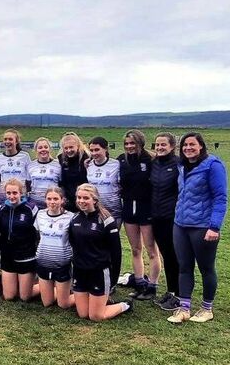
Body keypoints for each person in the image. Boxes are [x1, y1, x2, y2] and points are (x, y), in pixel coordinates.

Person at [167, 132, 228, 324]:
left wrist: (214, 227)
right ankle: (184, 308)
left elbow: (220, 197)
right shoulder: (182, 165)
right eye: (184, 145)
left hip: (203, 226)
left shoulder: (213, 165)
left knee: (206, 268)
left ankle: (207, 308)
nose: (188, 148)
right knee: (184, 267)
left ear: (201, 146)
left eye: (192, 144)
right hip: (180, 224)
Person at [70, 184, 134, 322]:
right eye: (79, 197)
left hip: (98, 272)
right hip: (80, 271)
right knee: (82, 314)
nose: (81, 201)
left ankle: (125, 305)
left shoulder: (106, 220)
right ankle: (98, 300)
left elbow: (116, 252)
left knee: (95, 316)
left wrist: (113, 279)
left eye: (86, 198)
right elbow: (73, 245)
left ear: (95, 199)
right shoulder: (74, 219)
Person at [118, 129, 161, 300]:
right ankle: (139, 283)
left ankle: (152, 286)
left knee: (151, 250)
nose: (129, 146)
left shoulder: (151, 159)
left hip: (146, 209)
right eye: (126, 143)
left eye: (132, 143)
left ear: (140, 143)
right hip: (128, 208)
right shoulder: (122, 159)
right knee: (135, 249)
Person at [86, 136, 122, 292]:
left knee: (110, 248)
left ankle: (111, 281)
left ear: (105, 149)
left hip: (113, 213)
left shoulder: (116, 164)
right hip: (95, 212)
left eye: (97, 150)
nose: (94, 153)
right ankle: (95, 278)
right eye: (92, 150)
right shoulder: (88, 165)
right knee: (95, 246)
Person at [151, 132, 181, 310]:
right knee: (167, 256)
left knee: (175, 257)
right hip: (157, 218)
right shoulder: (154, 163)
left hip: (173, 218)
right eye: (157, 145)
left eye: (163, 145)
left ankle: (178, 295)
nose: (160, 148)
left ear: (171, 146)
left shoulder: (178, 164)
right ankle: (171, 291)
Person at [0, 178, 40, 301]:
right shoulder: (1, 209)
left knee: (24, 297)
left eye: (15, 193)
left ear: (21, 193)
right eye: (8, 193)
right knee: (9, 296)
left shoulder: (31, 209)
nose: (11, 196)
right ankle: (17, 283)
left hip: (26, 256)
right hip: (7, 256)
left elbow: (38, 233)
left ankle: (46, 286)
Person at [34, 186, 75, 309]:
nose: (52, 202)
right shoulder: (40, 215)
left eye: (56, 199)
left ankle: (86, 295)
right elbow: (36, 236)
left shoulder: (71, 217)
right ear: (45, 200)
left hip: (62, 265)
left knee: (63, 304)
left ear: (62, 200)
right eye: (49, 199)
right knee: (47, 303)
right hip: (43, 263)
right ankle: (56, 288)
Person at [0, 128, 31, 204]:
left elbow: (29, 178)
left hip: (20, 196)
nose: (7, 141)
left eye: (10, 139)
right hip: (4, 196)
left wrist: (27, 192)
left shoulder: (25, 156)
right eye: (5, 139)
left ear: (17, 141)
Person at [58, 132, 89, 212]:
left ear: (78, 146)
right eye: (66, 148)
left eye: (71, 147)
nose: (69, 150)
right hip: (68, 202)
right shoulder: (61, 159)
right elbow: (61, 181)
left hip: (84, 200)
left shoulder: (86, 158)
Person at [28, 137, 61, 208]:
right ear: (36, 150)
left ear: (50, 149)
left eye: (46, 147)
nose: (43, 149)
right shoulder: (31, 165)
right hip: (34, 203)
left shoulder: (58, 164)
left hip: (52, 202)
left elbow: (62, 185)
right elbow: (27, 185)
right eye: (40, 147)